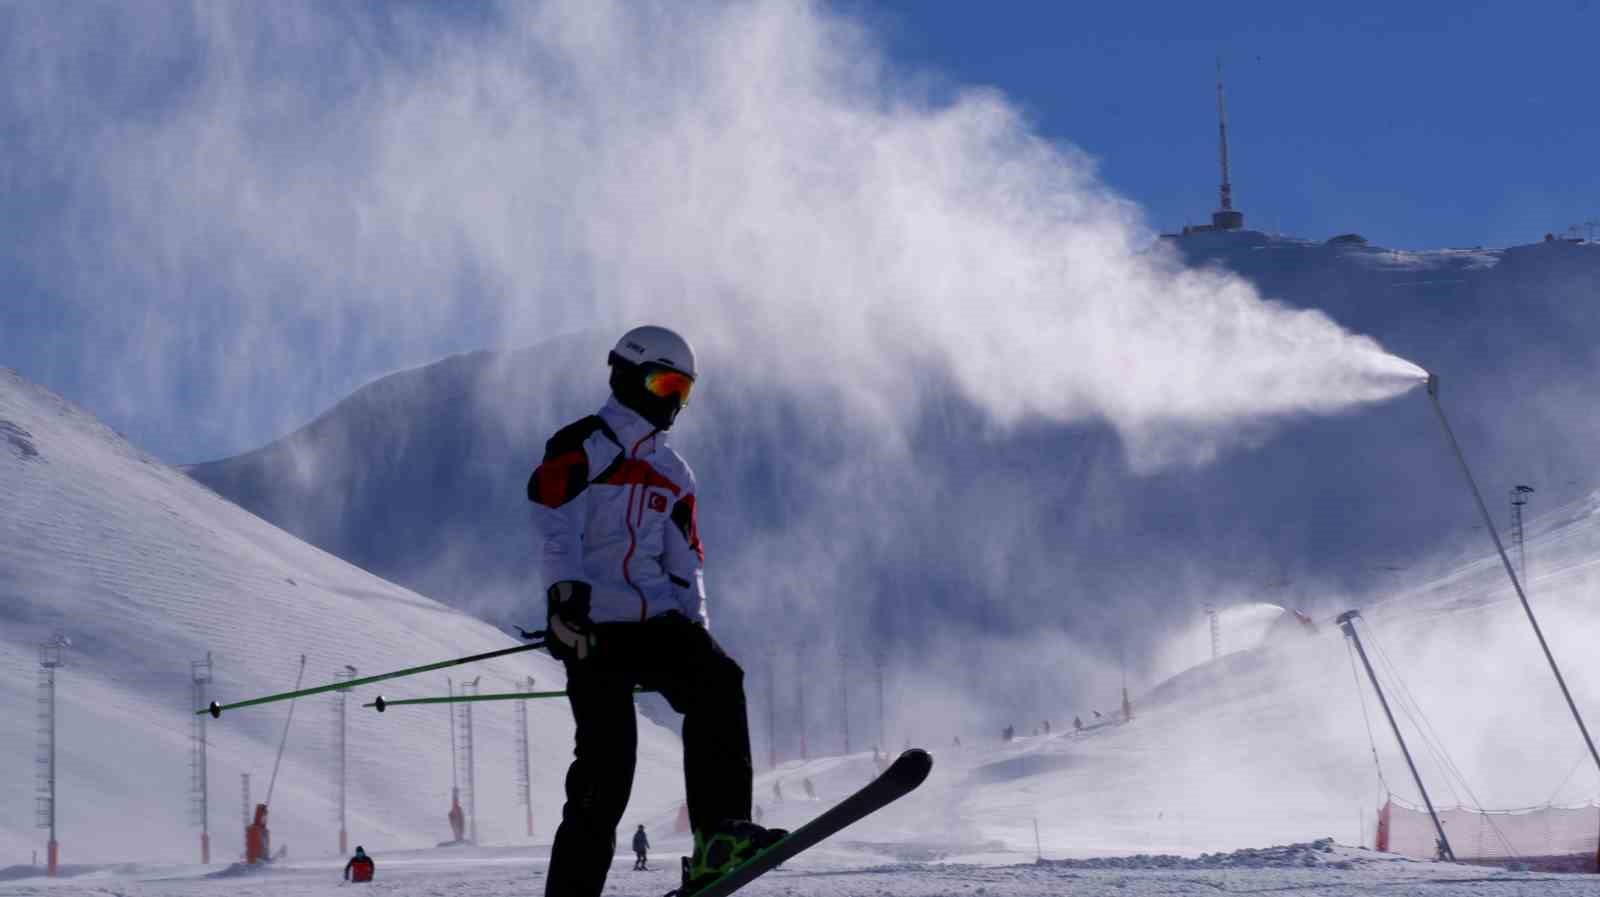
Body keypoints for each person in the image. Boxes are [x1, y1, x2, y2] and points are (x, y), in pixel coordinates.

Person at [529, 326, 786, 897]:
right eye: (665, 383)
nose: (672, 401)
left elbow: (687, 558)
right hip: (593, 629)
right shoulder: (583, 443)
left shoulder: (675, 473)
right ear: (627, 375)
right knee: (607, 775)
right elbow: (552, 513)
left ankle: (719, 836)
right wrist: (564, 600)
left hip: (656, 623)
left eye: (684, 391)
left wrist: (697, 630)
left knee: (720, 681)